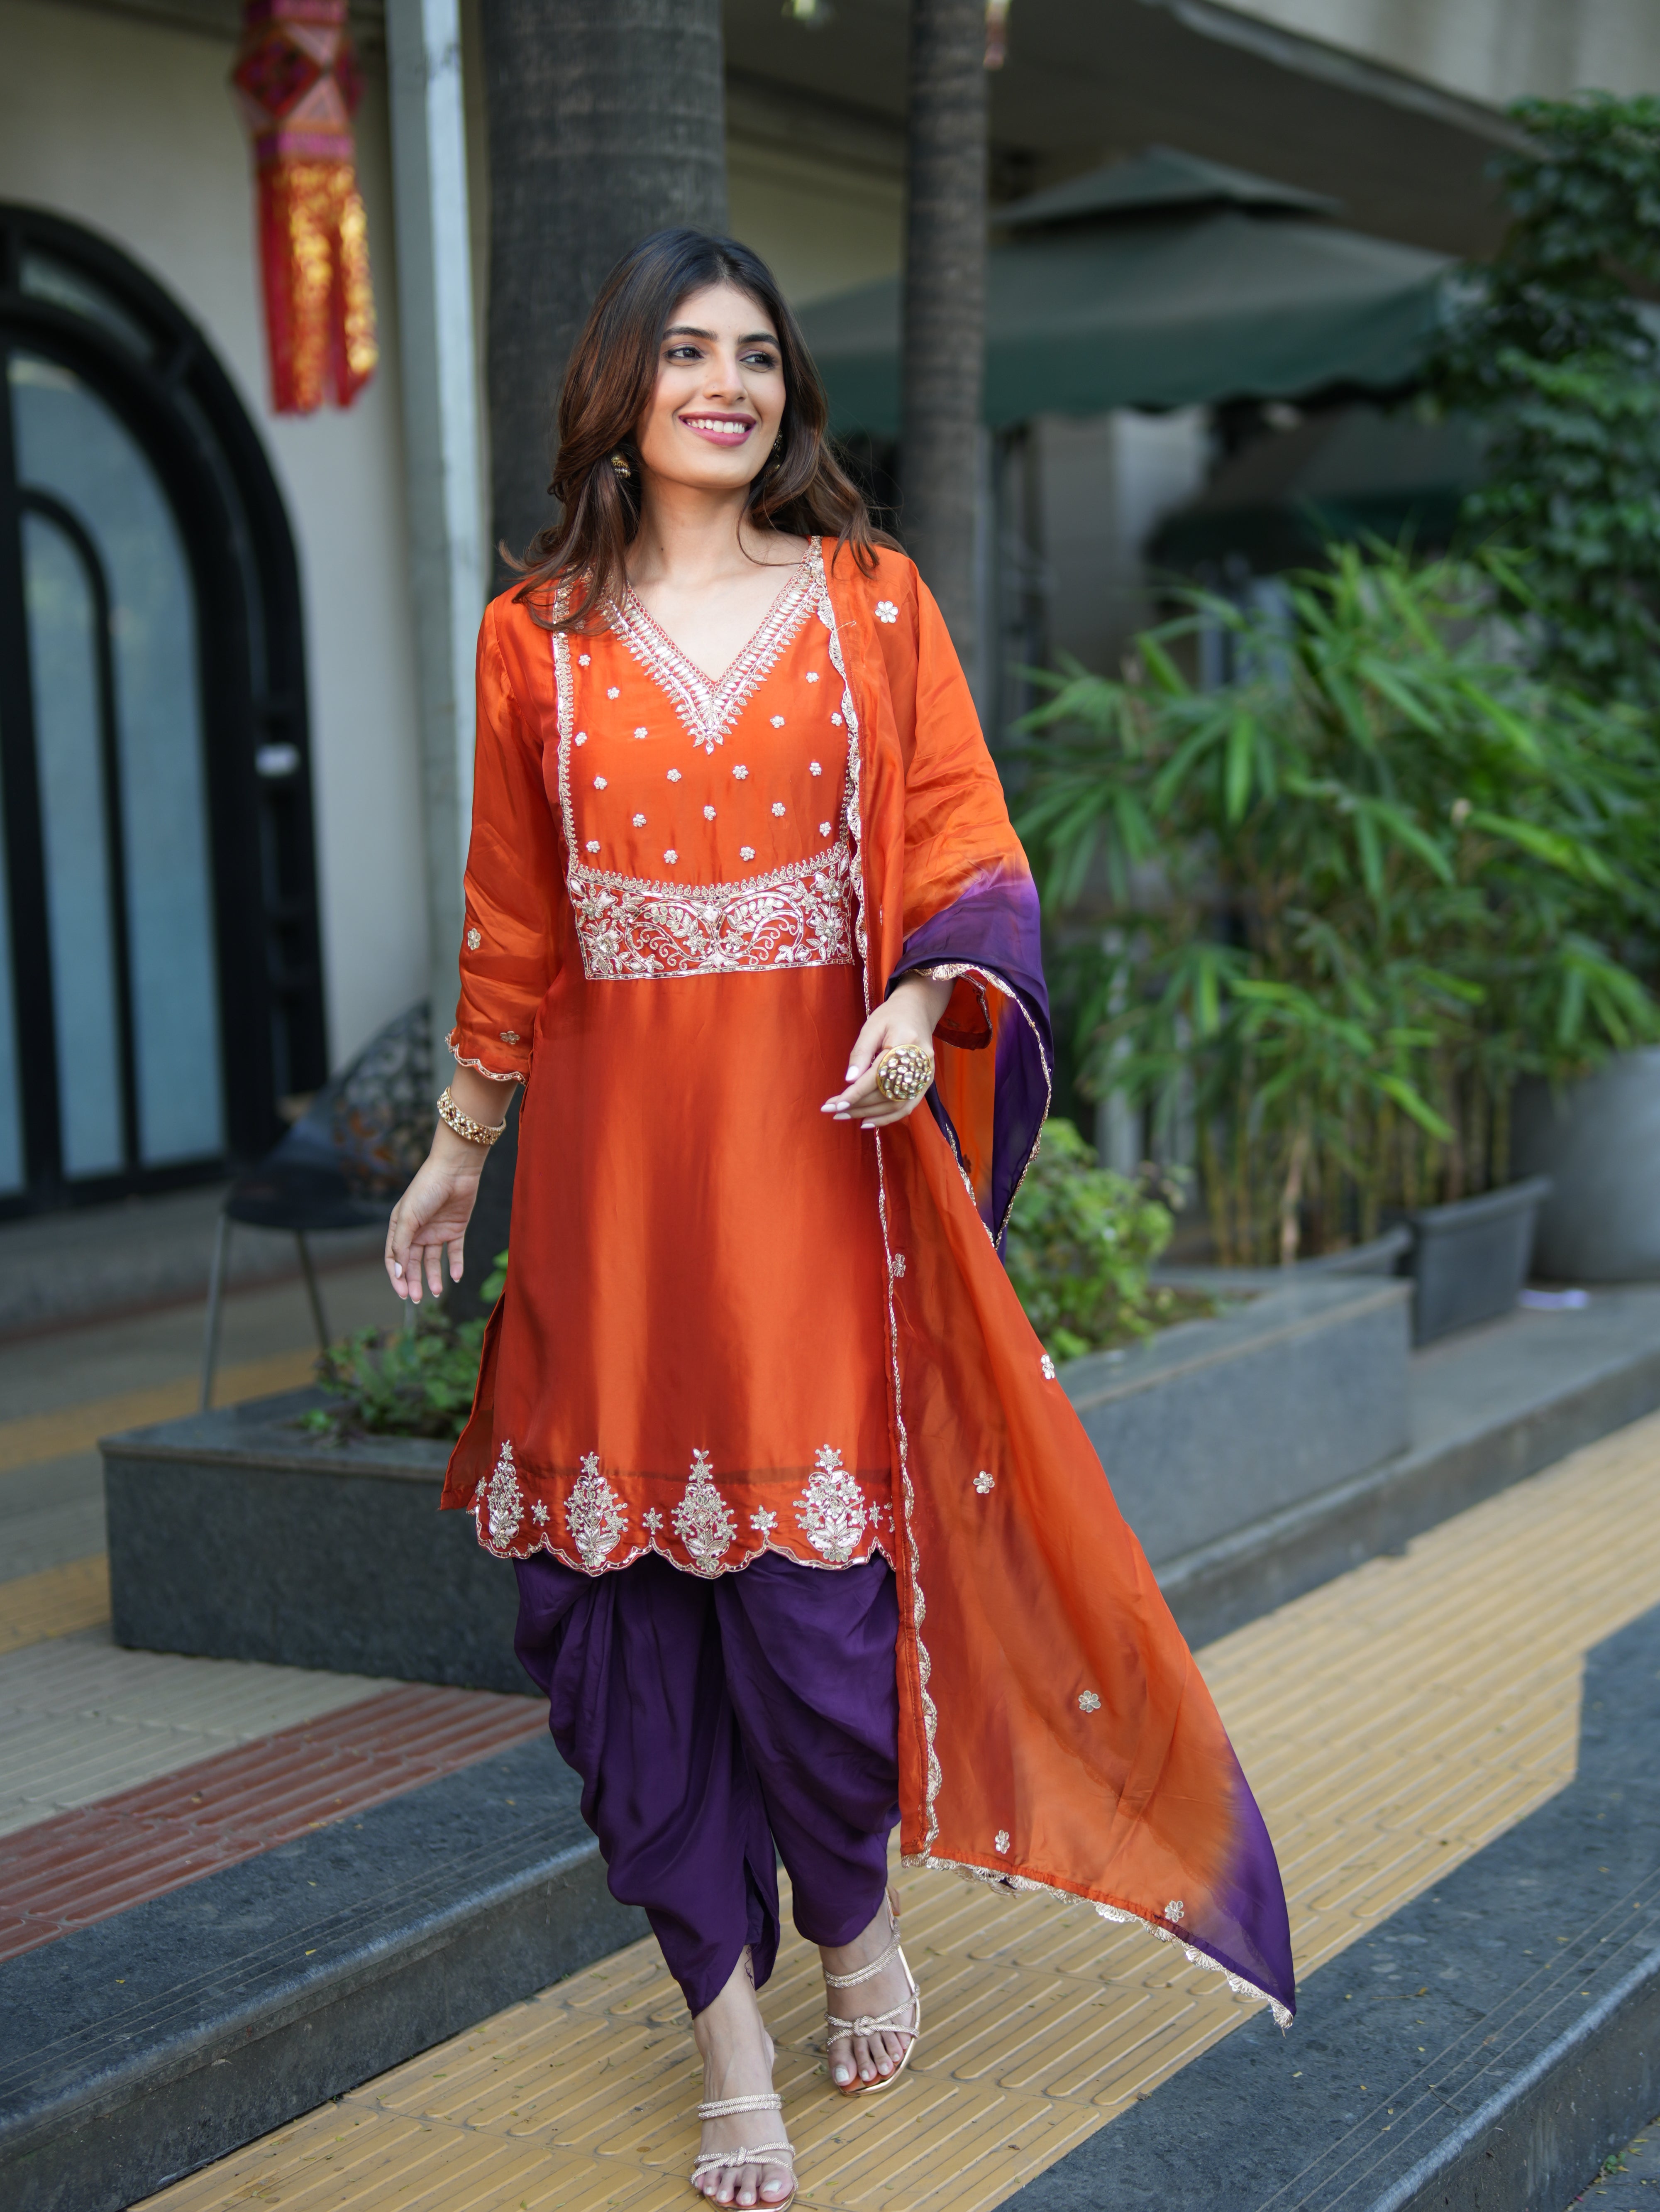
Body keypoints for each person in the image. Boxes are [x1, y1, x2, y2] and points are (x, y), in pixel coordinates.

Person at [386, 229, 1294, 2212]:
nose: (733, 384)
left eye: (762, 358)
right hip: (614, 1206)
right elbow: (513, 919)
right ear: (620, 381)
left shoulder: (873, 604)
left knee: (811, 1624)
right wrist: (464, 1142)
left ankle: (849, 1910)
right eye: (692, 352)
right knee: (627, 1631)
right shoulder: (528, 637)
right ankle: (727, 2032)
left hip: (810, 1182)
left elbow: (967, 838)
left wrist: (914, 994)